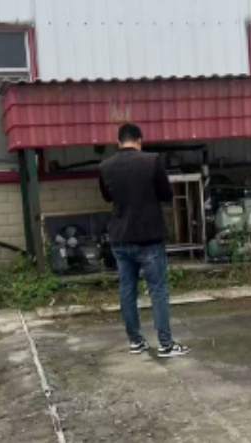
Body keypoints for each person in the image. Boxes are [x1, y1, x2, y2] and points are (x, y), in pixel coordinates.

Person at [99, 123, 190, 358]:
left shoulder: (105, 166)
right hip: (149, 237)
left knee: (127, 290)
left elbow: (108, 197)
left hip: (120, 237)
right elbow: (167, 195)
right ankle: (165, 344)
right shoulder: (152, 161)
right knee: (157, 291)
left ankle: (135, 342)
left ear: (118, 143)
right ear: (139, 141)